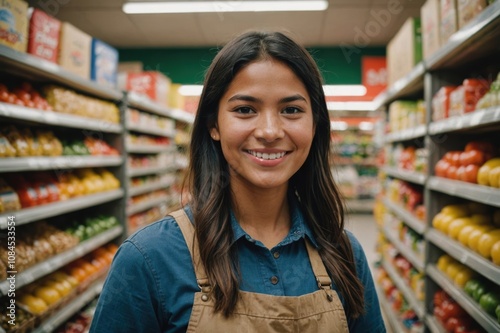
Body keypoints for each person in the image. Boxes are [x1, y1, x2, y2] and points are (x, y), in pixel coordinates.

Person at [89, 30, 386, 333]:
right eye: (245, 110)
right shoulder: (149, 258)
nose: (270, 131)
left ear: (315, 125)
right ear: (213, 125)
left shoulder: (345, 253)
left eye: (291, 110)